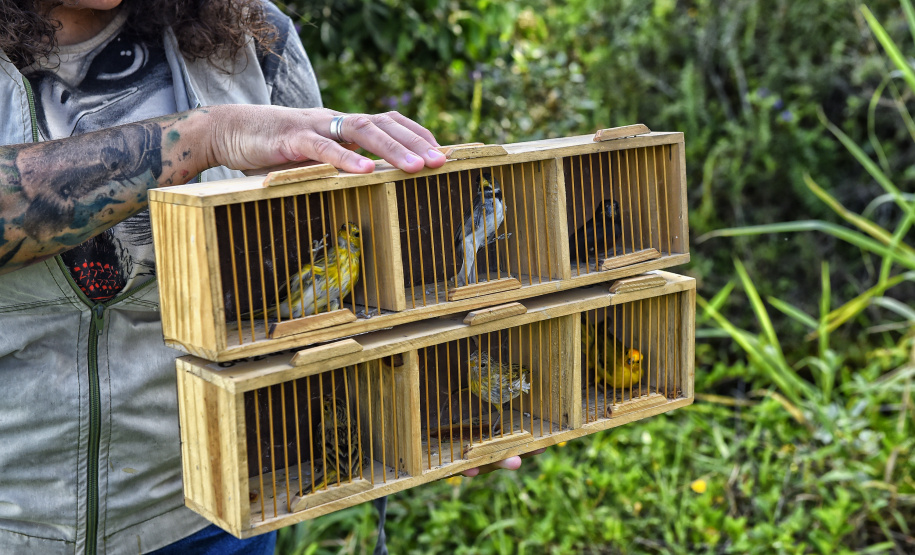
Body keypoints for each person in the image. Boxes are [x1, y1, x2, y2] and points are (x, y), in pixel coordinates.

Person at [0, 1, 535, 553]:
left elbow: (318, 253)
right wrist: (206, 137)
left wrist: (415, 391)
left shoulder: (245, 25)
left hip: (225, 505)